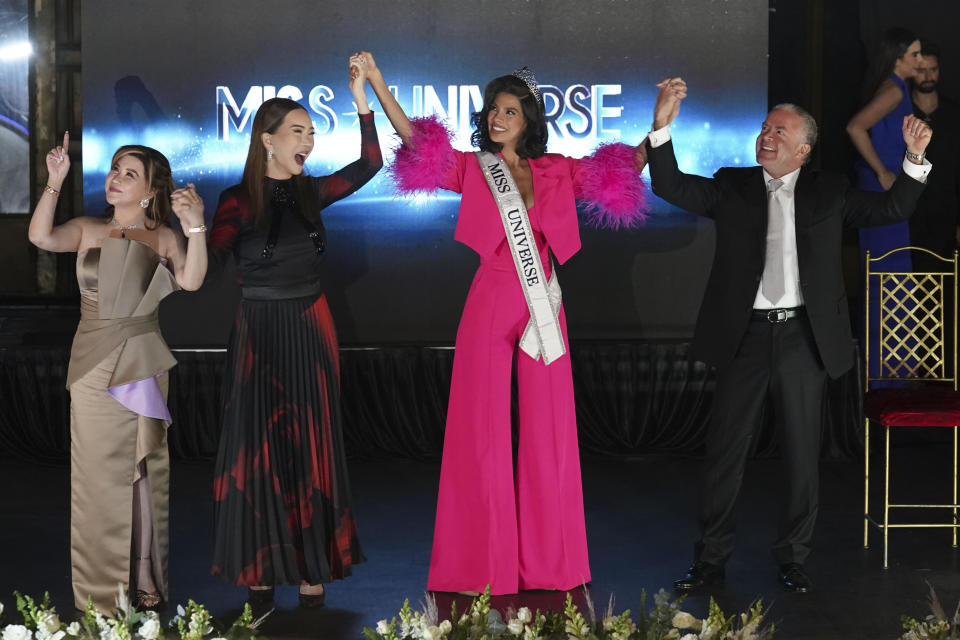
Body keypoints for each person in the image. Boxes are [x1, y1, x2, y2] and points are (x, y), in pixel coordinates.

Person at [364, 52, 648, 594]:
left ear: (530, 120)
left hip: (544, 300)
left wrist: (658, 129)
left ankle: (550, 565)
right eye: (494, 108)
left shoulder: (557, 169)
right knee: (481, 428)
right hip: (491, 296)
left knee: (550, 428)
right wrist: (378, 81)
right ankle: (481, 564)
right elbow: (418, 145)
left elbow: (619, 171)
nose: (498, 117)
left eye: (511, 110)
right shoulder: (474, 167)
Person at [646, 78, 931, 593]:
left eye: (779, 130)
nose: (766, 135)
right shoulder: (732, 186)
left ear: (803, 148)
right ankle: (709, 562)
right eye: (763, 128)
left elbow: (891, 209)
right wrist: (662, 127)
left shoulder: (830, 190)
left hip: (805, 339)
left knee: (803, 457)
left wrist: (913, 159)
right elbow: (672, 186)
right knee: (725, 455)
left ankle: (793, 559)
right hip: (745, 338)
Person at [208, 55, 382, 609]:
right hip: (257, 328)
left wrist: (362, 102)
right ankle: (260, 565)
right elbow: (206, 262)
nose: (307, 140)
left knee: (311, 443)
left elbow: (371, 164)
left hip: (310, 325)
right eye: (297, 131)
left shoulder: (312, 193)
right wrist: (182, 230)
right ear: (267, 140)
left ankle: (313, 566)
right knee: (256, 445)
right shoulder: (235, 201)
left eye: (311, 131)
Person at [28, 133, 208, 612]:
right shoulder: (88, 229)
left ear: (149, 190)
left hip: (140, 361)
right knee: (94, 478)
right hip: (89, 364)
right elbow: (41, 238)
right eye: (114, 169)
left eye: (129, 174)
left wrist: (196, 227)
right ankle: (102, 591)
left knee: (141, 471)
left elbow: (191, 281)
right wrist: (55, 181)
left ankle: (144, 573)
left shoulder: (163, 237)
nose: (115, 178)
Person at [846, 28, 923, 378]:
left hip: (887, 194)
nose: (921, 62)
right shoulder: (892, 90)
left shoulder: (897, 88)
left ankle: (892, 376)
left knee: (891, 281)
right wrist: (881, 172)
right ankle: (888, 379)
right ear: (898, 58)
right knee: (887, 281)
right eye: (915, 56)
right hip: (881, 194)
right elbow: (855, 127)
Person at [909, 39, 960, 272]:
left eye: (933, 69)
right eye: (921, 70)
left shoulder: (953, 113)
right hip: (910, 207)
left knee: (946, 275)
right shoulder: (902, 111)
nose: (928, 76)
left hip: (946, 208)